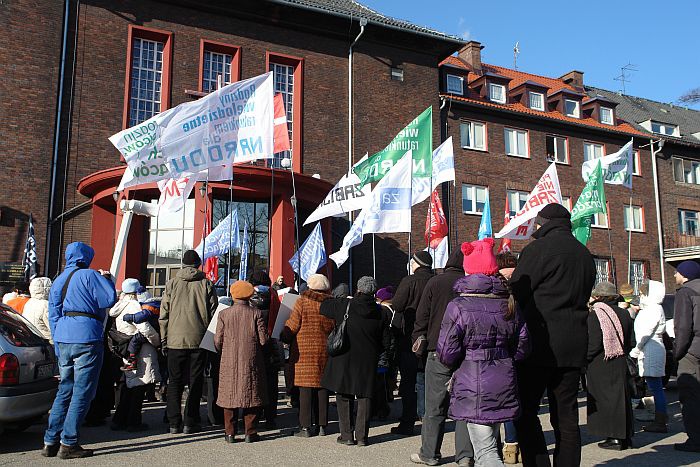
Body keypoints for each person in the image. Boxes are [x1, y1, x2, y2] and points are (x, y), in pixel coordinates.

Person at [510, 203, 596, 467]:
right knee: (566, 416)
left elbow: (518, 292)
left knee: (525, 412)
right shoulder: (584, 254)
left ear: (543, 223)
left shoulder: (537, 250)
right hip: (574, 343)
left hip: (540, 342)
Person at [437, 239, 530, 467]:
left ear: (468, 270)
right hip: (503, 377)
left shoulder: (459, 306)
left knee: (486, 452)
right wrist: (505, 359)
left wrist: (463, 359)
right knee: (489, 445)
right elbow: (523, 345)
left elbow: (447, 352)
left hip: (472, 380)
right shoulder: (508, 302)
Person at [41, 242, 117, 459]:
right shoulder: (90, 275)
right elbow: (109, 299)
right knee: (82, 392)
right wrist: (107, 279)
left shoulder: (58, 280)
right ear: (87, 257)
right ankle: (69, 442)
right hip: (87, 336)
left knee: (65, 390)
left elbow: (53, 314)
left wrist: (57, 340)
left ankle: (50, 441)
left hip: (63, 337)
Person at [410, 248, 474, 466]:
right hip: (466, 352)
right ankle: (465, 455)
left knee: (434, 405)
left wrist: (419, 338)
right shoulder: (471, 283)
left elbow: (422, 316)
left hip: (437, 350)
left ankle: (429, 453)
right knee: (465, 405)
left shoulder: (435, 283)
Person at [321, 276, 392, 446]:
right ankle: (362, 436)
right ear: (374, 292)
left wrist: (338, 296)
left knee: (344, 395)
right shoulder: (381, 313)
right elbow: (386, 342)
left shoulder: (345, 305)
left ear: (358, 290)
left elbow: (324, 307)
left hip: (344, 357)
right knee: (365, 396)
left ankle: (346, 435)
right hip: (368, 360)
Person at [160, 249, 218, 434]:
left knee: (174, 381)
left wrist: (164, 339)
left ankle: (173, 422)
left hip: (175, 339)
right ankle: (190, 421)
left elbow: (164, 315)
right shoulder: (206, 283)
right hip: (198, 339)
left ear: (183, 264)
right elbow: (213, 312)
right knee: (195, 381)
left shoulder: (171, 284)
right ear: (198, 264)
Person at [280, 274, 334, 437]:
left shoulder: (302, 301)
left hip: (304, 350)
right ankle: (322, 426)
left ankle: (305, 427)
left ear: (310, 286)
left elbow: (293, 325)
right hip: (324, 350)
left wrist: (284, 336)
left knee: (306, 388)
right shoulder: (330, 303)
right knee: (322, 386)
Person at [215, 280, 268, 443]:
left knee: (228, 394)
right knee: (251, 393)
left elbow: (218, 340)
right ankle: (250, 432)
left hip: (229, 358)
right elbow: (263, 340)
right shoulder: (256, 313)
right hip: (251, 358)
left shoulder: (224, 314)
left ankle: (230, 433)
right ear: (249, 294)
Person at [586, 281, 634, 450]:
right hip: (620, 360)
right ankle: (625, 436)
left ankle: (614, 437)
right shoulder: (624, 313)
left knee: (606, 401)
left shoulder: (595, 314)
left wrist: (584, 360)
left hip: (601, 363)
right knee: (621, 400)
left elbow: (593, 343)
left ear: (598, 296)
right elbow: (631, 341)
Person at [391, 251, 435, 436]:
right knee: (427, 380)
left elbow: (397, 305)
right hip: (432, 336)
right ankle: (426, 420)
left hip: (410, 337)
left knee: (408, 382)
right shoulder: (435, 280)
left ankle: (408, 422)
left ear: (416, 263)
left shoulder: (410, 281)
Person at [109, 279, 161, 431]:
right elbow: (144, 327)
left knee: (129, 385)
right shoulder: (134, 305)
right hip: (142, 349)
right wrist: (157, 341)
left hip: (127, 347)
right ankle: (133, 421)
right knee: (139, 385)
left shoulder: (119, 305)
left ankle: (119, 419)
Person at [630, 280, 668, 433]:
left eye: (643, 292)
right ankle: (660, 417)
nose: (641, 295)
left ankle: (660, 421)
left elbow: (646, 333)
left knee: (655, 387)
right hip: (650, 348)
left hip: (651, 348)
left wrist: (636, 350)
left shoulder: (653, 309)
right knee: (654, 386)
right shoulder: (651, 308)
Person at [672, 260, 700, 452]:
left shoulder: (685, 292)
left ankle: (695, 439)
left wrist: (678, 352)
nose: (674, 275)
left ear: (686, 275)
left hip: (692, 350)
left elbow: (683, 326)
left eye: (678, 272)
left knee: (690, 396)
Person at [496, 251, 521, 464]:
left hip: (496, 357)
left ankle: (494, 447)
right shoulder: (524, 283)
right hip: (516, 357)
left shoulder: (495, 288)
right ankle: (512, 446)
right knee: (514, 403)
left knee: (495, 404)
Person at [249, 270, 282, 429]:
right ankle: (270, 417)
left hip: (251, 345)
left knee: (253, 381)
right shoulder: (274, 296)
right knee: (271, 382)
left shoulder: (248, 297)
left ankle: (253, 416)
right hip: (270, 344)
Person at [120, 290, 161, 371]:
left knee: (134, 341)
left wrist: (130, 317)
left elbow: (141, 316)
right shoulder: (155, 304)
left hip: (153, 330)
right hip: (157, 329)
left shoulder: (148, 306)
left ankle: (132, 360)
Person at [374, 286, 397, 420]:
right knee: (388, 377)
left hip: (384, 348)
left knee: (380, 380)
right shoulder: (395, 309)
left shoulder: (383, 311)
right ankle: (388, 397)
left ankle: (381, 409)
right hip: (392, 347)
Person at [22, 277, 53, 342]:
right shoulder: (46, 305)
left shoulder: (29, 302)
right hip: (46, 340)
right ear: (47, 289)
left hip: (32, 338)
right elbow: (51, 326)